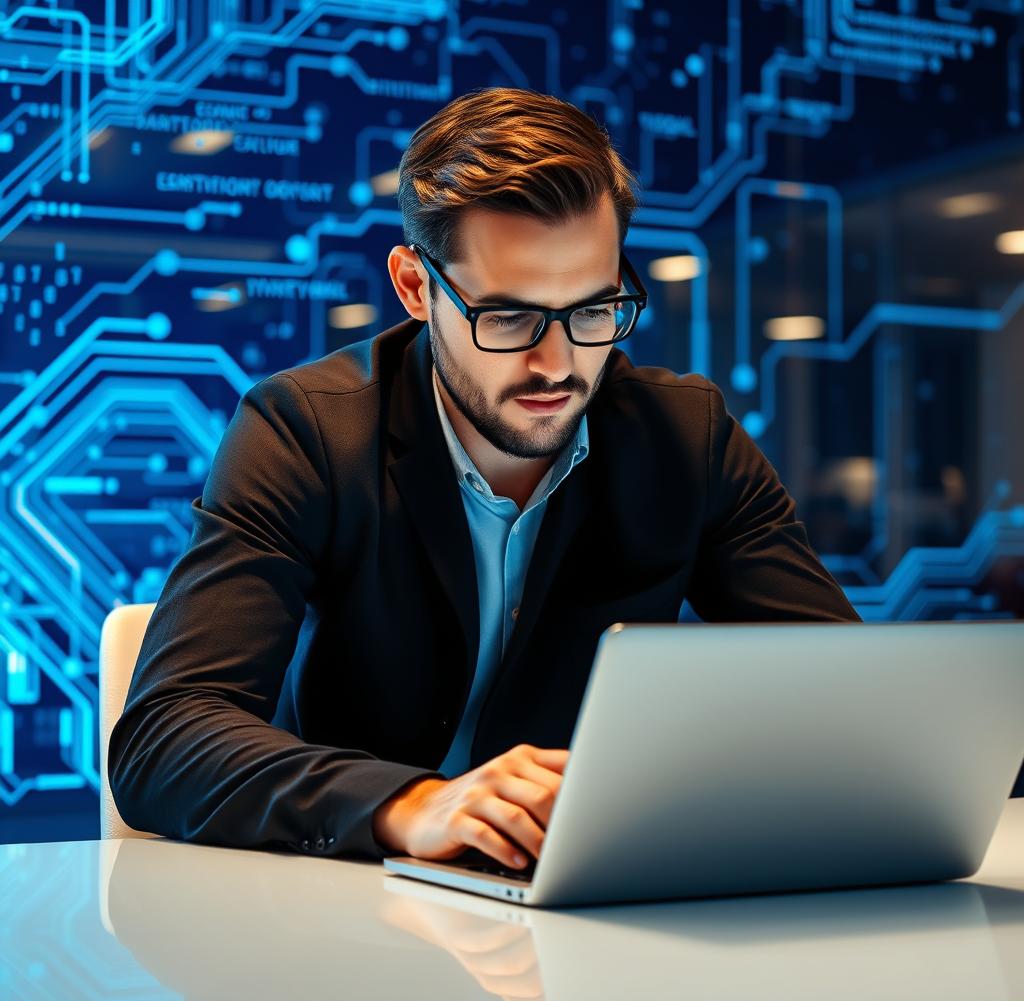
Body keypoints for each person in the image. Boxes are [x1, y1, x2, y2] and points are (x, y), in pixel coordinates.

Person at [108, 87, 861, 872]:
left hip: (588, 912)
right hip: (351, 920)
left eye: (594, 308)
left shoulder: (686, 437)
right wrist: (414, 803)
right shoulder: (305, 430)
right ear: (414, 287)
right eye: (507, 317)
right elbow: (168, 734)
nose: (558, 364)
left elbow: (853, 702)